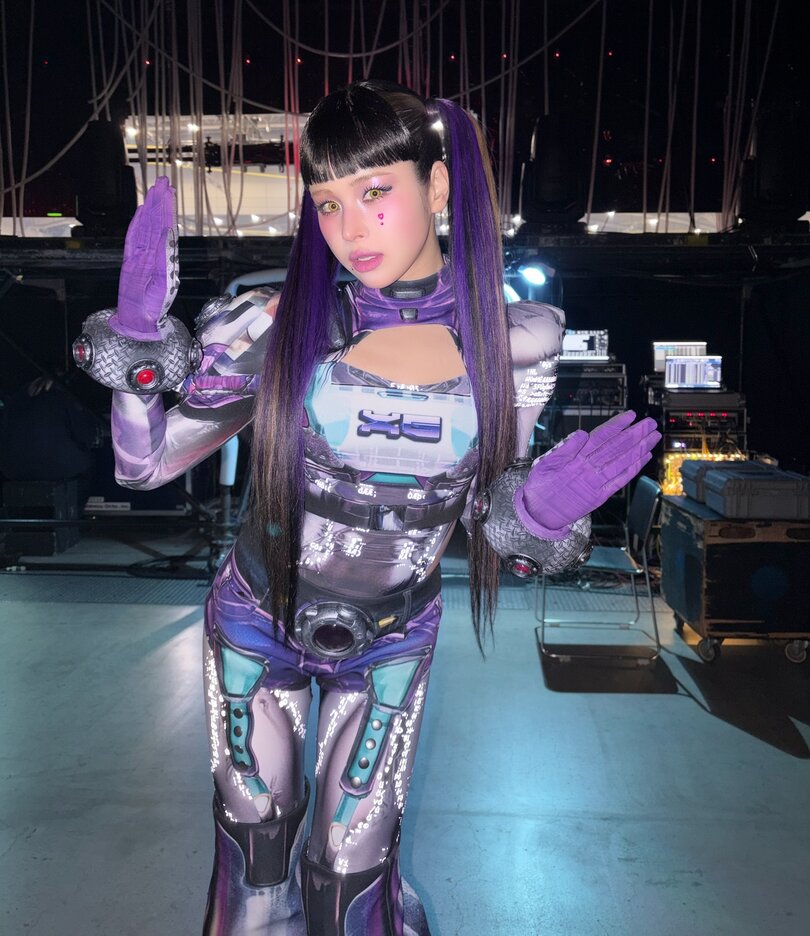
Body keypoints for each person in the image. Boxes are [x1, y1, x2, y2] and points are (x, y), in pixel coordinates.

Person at [74, 80, 659, 936]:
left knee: (347, 875)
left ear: (438, 185)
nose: (351, 229)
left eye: (376, 191)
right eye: (328, 203)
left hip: (391, 638)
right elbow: (145, 464)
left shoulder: (515, 344)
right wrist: (136, 366)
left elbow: (487, 509)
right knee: (252, 857)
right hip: (255, 621)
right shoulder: (276, 327)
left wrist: (534, 512)